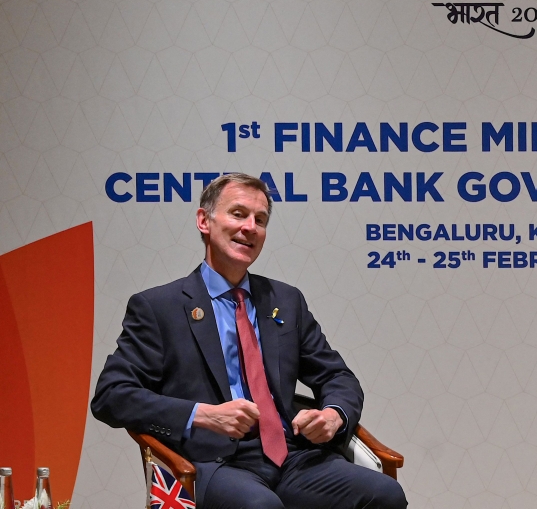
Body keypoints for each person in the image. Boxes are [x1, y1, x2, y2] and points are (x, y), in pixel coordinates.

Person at [92, 173, 407, 509]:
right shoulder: (159, 308)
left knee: (385, 495)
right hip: (216, 461)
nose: (250, 227)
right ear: (204, 221)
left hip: (292, 457)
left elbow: (336, 376)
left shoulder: (285, 301)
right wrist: (203, 415)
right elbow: (112, 396)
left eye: (261, 220)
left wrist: (333, 415)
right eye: (238, 214)